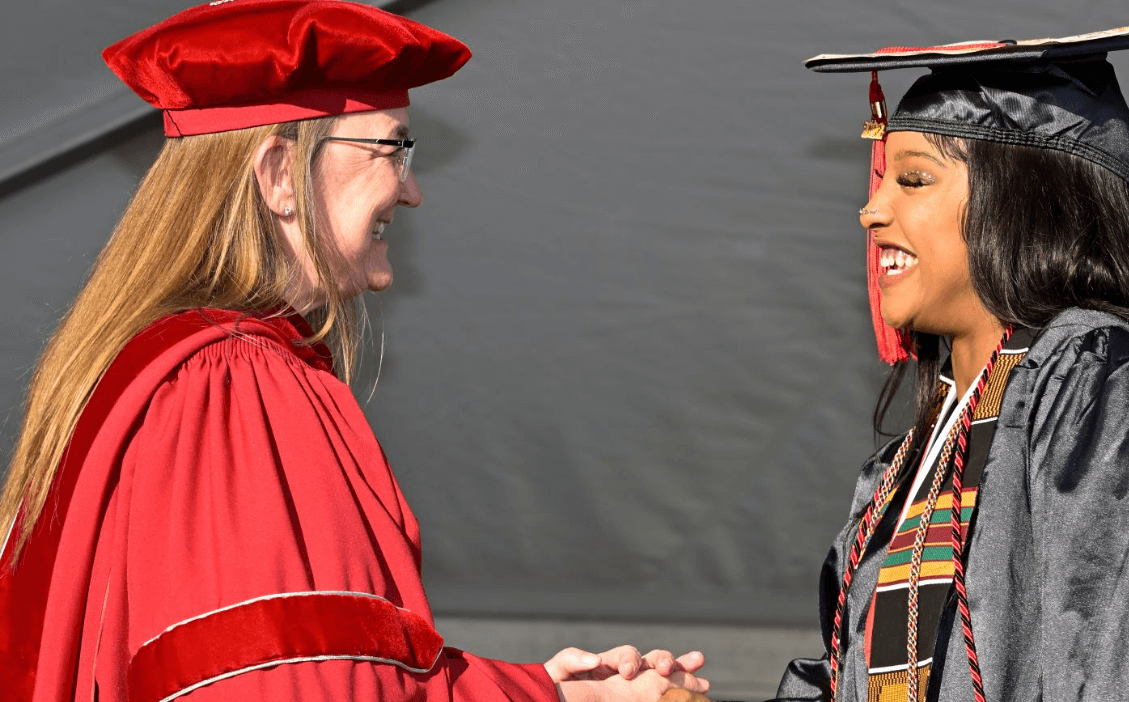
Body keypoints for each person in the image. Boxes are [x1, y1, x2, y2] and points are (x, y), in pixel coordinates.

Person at [0, 2, 708, 701]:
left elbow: (327, 664)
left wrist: (544, 692)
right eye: (392, 148)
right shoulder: (233, 384)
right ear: (279, 174)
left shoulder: (148, 362)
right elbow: (291, 686)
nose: (413, 191)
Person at [668, 19, 1129, 702]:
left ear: (1019, 200)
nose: (870, 210)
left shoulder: (1095, 382)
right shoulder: (910, 465)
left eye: (913, 179)